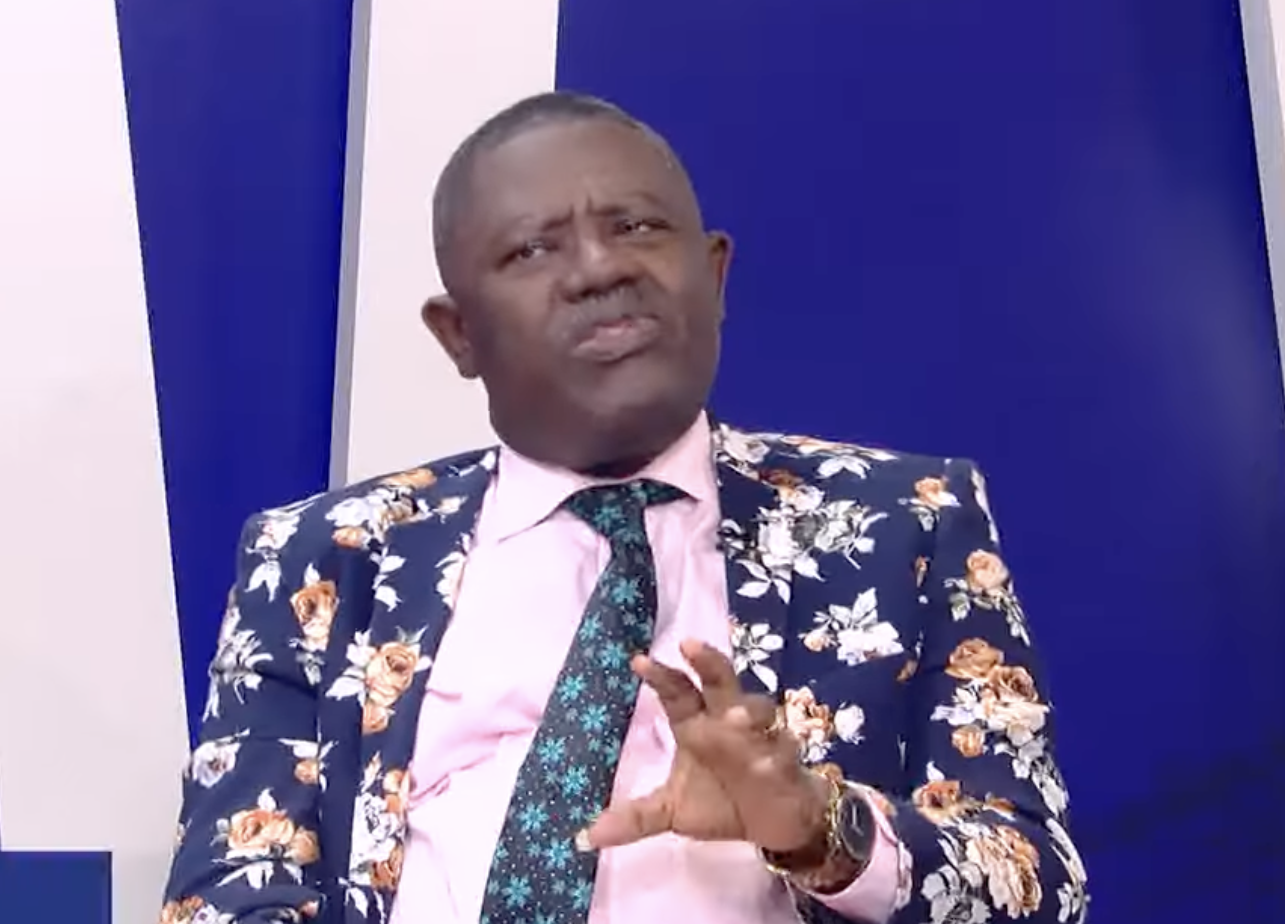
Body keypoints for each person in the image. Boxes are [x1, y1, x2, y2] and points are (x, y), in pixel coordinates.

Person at [159, 92, 1088, 924]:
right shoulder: (325, 558)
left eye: (637, 227)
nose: (599, 270)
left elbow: (1039, 887)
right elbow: (229, 900)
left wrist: (820, 827)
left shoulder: (906, 524)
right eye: (532, 249)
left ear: (715, 276)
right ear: (459, 333)